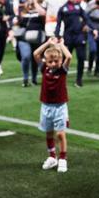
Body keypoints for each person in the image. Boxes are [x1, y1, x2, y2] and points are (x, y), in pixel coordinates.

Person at [33, 38, 72, 173]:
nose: (53, 63)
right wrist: (48, 43)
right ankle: (52, 157)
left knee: (60, 134)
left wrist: (61, 45)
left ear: (60, 61)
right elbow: (36, 54)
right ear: (46, 62)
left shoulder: (62, 70)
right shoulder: (44, 69)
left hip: (60, 107)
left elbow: (69, 56)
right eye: (50, 61)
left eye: (56, 61)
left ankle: (63, 159)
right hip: (46, 106)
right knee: (49, 133)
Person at [54, 0, 92, 88]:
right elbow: (58, 24)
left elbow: (86, 18)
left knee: (81, 58)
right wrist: (57, 35)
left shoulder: (78, 7)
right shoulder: (62, 9)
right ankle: (61, 79)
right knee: (65, 59)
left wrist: (89, 27)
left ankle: (79, 80)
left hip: (79, 36)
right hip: (68, 37)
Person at [14, 0, 46, 87]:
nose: (30, 1)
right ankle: (25, 78)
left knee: (35, 58)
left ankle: (34, 78)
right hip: (24, 37)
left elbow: (43, 13)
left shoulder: (40, 9)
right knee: (26, 56)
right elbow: (16, 20)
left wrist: (35, 3)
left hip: (37, 37)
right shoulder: (22, 10)